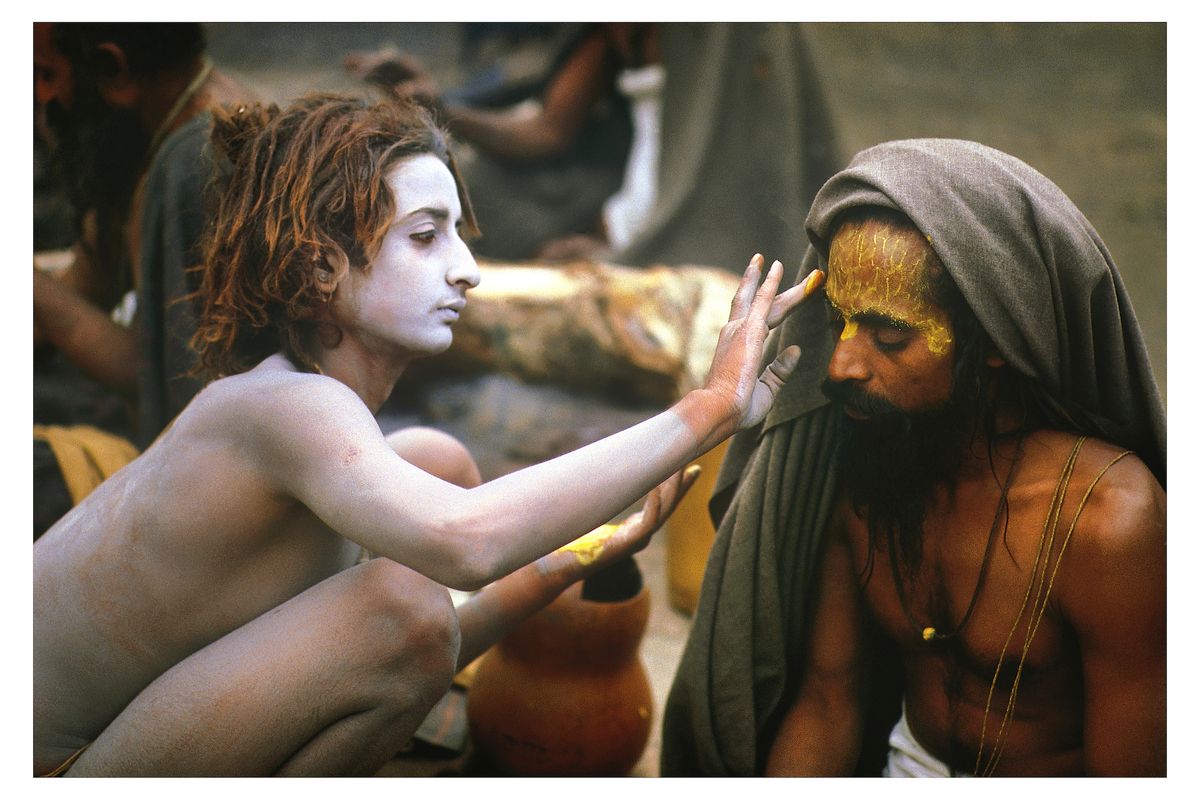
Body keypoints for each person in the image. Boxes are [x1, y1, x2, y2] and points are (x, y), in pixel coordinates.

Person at [32, 93, 823, 777]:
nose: (468, 269)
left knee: (433, 473)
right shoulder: (285, 407)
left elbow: (423, 648)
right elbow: (453, 563)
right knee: (404, 596)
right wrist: (711, 406)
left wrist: (580, 555)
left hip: (120, 748)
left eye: (458, 233)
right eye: (425, 236)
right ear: (319, 271)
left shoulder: (319, 424)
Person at [661, 138, 1166, 777]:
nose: (841, 366)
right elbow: (827, 701)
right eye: (839, 324)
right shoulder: (870, 477)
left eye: (890, 338)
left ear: (995, 341)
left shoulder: (1109, 523)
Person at [33, 23, 258, 536]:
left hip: (207, 491)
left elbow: (166, 376)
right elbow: (86, 283)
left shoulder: (199, 160)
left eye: (48, 73)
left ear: (112, 70)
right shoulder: (153, 131)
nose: (41, 96)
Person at [346, 23, 649, 261]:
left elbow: (548, 133)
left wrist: (445, 112)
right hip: (548, 162)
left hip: (585, 179)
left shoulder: (606, 34)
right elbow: (505, 91)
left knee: (463, 184)